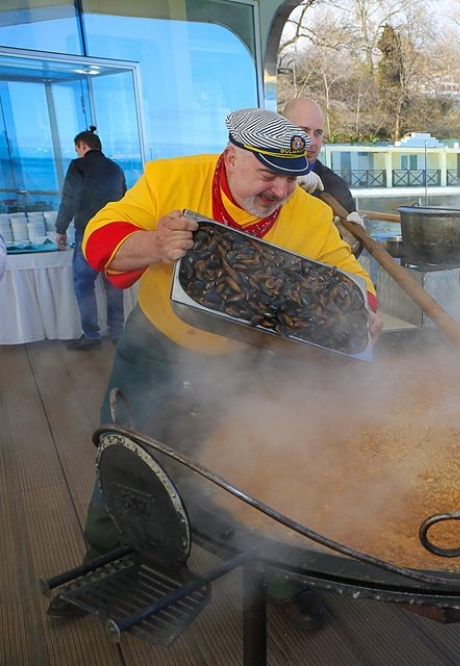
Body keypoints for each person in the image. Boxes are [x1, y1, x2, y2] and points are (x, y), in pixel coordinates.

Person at [45, 108, 383, 632]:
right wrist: (155, 244)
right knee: (127, 460)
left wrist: (365, 308)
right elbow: (100, 235)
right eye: (267, 175)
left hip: (249, 360)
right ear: (230, 156)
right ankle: (102, 569)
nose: (279, 192)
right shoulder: (171, 177)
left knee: (264, 466)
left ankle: (283, 580)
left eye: (291, 179)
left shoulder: (310, 215)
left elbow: (349, 273)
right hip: (156, 345)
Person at [53, 127, 127, 351]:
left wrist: (60, 228)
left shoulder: (78, 165)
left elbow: (70, 199)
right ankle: (117, 332)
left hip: (89, 232)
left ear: (83, 146)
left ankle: (92, 335)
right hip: (114, 231)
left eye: (77, 149)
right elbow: (125, 201)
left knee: (84, 283)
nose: (77, 153)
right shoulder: (116, 168)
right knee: (113, 282)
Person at [282, 97, 366, 253]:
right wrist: (286, 179)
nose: (312, 142)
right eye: (303, 131)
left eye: (318, 133)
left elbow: (345, 261)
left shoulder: (335, 187)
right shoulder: (259, 172)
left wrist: (352, 244)